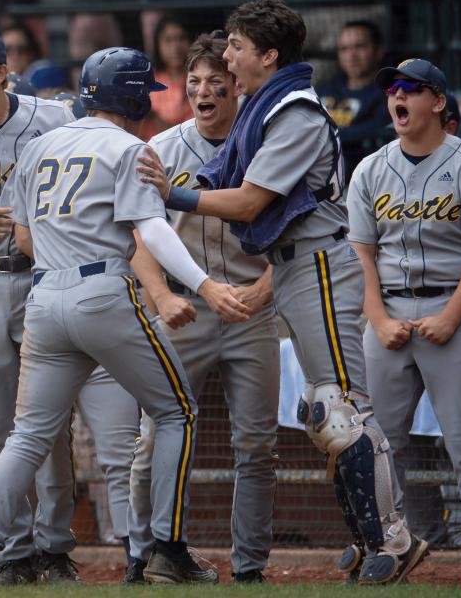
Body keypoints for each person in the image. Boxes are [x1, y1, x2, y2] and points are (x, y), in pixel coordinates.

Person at [139, 0, 427, 586]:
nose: (228, 55)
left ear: (268, 56)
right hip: (296, 264)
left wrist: (175, 194)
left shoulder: (293, 110)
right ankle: (368, 535)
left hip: (319, 261)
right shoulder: (265, 108)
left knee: (342, 407)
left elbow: (248, 202)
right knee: (330, 412)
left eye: (238, 47)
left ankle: (392, 537)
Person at [0, 46, 249, 587]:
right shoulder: (128, 147)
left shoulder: (40, 145)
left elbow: (22, 237)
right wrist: (206, 284)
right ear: (133, 95)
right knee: (177, 412)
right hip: (103, 291)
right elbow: (154, 229)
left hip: (43, 297)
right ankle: (164, 550)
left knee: (28, 435)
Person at [0, 25, 140, 583]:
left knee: (48, 427)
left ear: (2, 72)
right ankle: (13, 550)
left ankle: (52, 545)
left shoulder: (54, 117)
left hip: (47, 278)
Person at [347, 58, 461, 587]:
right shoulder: (371, 168)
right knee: (375, 445)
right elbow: (362, 256)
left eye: (410, 90)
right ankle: (386, 545)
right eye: (393, 90)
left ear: (437, 102)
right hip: (388, 312)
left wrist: (452, 316)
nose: (398, 98)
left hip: (453, 310)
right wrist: (377, 318)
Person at [127, 31, 280, 584]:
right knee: (153, 440)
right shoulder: (160, 148)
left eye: (217, 81)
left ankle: (250, 566)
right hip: (185, 309)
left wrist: (266, 288)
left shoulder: (266, 141)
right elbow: (138, 242)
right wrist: (162, 297)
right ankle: (145, 557)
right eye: (194, 82)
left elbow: (296, 230)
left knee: (257, 446)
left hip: (250, 309)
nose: (204, 90)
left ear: (238, 85)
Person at [316, 20, 391, 178]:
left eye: (360, 47)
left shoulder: (389, 94)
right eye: (344, 49)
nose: (351, 56)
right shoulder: (325, 89)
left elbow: (378, 130)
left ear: (379, 51)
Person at [139, 16, 193, 141]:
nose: (175, 46)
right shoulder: (147, 80)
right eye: (168, 40)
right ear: (157, 45)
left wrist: (153, 117)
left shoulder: (199, 80)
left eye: (181, 38)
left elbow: (192, 133)